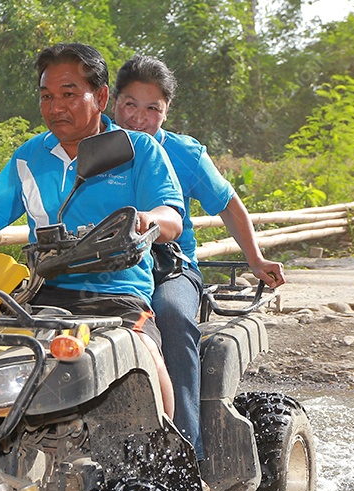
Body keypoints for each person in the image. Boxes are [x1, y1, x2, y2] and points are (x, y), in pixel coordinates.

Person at [0, 43, 185, 416]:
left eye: (68, 94)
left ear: (101, 97)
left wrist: (149, 220)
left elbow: (172, 217)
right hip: (41, 293)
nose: (55, 107)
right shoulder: (30, 155)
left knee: (146, 355)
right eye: (46, 96)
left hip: (117, 298)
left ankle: (171, 455)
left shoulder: (138, 149)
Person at [111, 54, 284, 456]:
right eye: (130, 105)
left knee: (170, 314)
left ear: (166, 113)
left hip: (169, 266)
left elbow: (228, 203)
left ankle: (188, 454)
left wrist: (255, 259)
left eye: (152, 109)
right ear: (112, 102)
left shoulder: (183, 153)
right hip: (104, 266)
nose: (139, 118)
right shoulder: (90, 148)